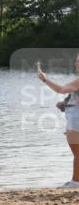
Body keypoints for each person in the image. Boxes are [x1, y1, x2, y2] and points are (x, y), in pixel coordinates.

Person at [38, 54, 79, 187]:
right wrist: (65, 103)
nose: (76, 64)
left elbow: (61, 89)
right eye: (76, 61)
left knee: (77, 153)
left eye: (78, 62)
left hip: (76, 122)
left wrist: (45, 79)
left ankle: (75, 182)